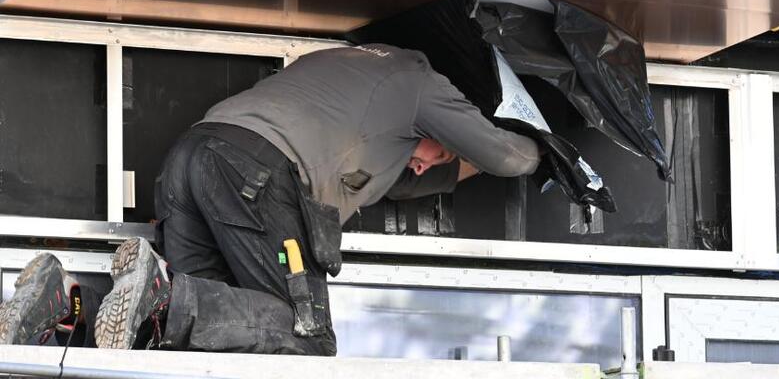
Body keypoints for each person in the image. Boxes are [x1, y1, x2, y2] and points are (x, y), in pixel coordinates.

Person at [0, 44, 540, 354]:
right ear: (450, 119)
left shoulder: (358, 84)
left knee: (192, 342)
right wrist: (548, 146)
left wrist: (447, 164)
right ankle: (164, 294)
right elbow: (509, 157)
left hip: (191, 161)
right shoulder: (423, 83)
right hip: (255, 175)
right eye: (442, 150)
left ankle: (67, 305)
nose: (425, 164)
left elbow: (408, 177)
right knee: (309, 338)